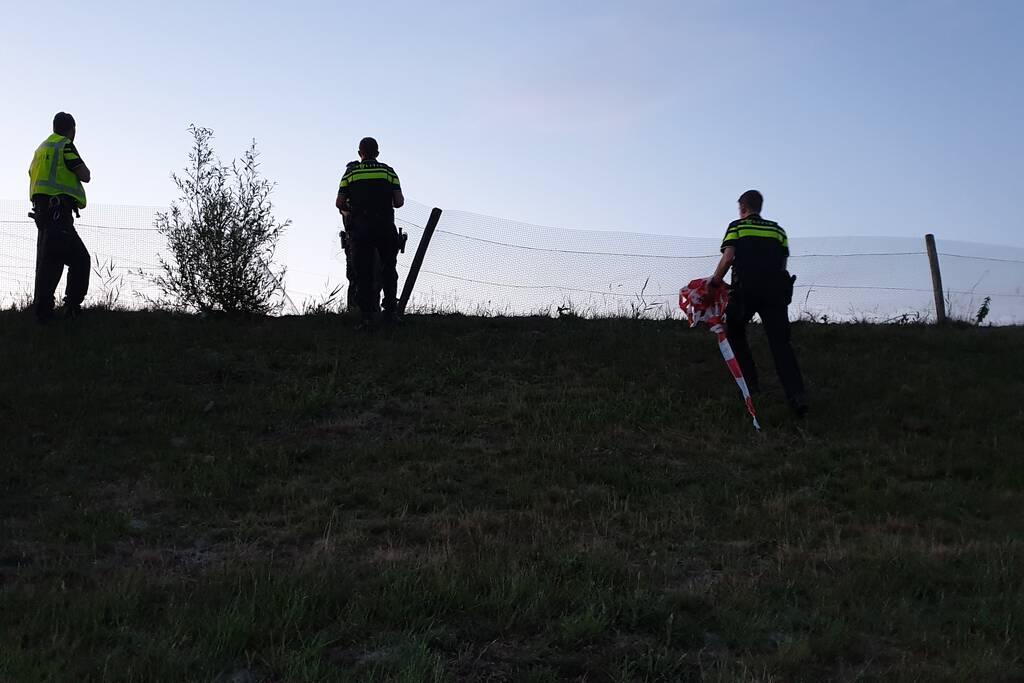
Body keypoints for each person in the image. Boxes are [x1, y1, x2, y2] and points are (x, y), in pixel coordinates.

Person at [709, 190, 807, 415]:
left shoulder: (737, 226)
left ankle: (750, 384)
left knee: (734, 329)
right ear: (760, 207)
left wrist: (715, 281)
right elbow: (782, 263)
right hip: (775, 292)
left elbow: (729, 257)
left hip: (745, 290)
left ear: (743, 207)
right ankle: (797, 396)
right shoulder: (777, 230)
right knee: (781, 344)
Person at [28, 112, 92, 322]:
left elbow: (31, 173)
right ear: (72, 129)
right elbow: (85, 175)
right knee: (72, 260)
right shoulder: (65, 145)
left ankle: (46, 310)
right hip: (58, 211)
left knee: (53, 259)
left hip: (42, 213)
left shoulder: (41, 149)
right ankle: (64, 308)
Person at [335, 137, 404, 326]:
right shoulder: (389, 171)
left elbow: (339, 203)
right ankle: (390, 313)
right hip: (385, 227)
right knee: (389, 270)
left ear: (360, 154)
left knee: (362, 273)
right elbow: (399, 202)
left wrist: (352, 211)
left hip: (361, 230)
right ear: (378, 153)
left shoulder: (351, 173)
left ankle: (366, 317)